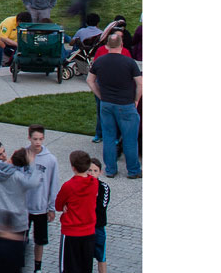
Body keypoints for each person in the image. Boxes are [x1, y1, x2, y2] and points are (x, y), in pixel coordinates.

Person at [0, 147, 48, 273]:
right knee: (14, 261)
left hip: (0, 222)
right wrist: (33, 164)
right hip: (18, 224)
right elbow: (34, 183)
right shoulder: (19, 177)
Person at [87, 32, 142, 178]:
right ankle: (133, 170)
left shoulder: (99, 61)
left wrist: (100, 95)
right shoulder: (129, 62)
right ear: (121, 45)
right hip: (126, 105)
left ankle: (110, 170)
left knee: (109, 138)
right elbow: (140, 83)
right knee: (130, 139)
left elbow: (90, 80)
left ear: (107, 46)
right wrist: (136, 100)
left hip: (107, 104)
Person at [54, 150, 101, 273]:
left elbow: (58, 205)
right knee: (85, 268)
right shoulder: (94, 183)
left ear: (73, 168)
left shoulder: (68, 186)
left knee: (69, 268)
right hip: (89, 232)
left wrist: (65, 205)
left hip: (71, 233)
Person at [23, 125, 60, 272]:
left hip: (41, 208)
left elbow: (54, 184)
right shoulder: (22, 155)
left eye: (40, 139)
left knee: (40, 240)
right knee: (21, 238)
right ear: (29, 138)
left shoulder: (51, 160)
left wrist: (51, 207)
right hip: (24, 207)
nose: (37, 142)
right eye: (35, 139)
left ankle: (37, 267)